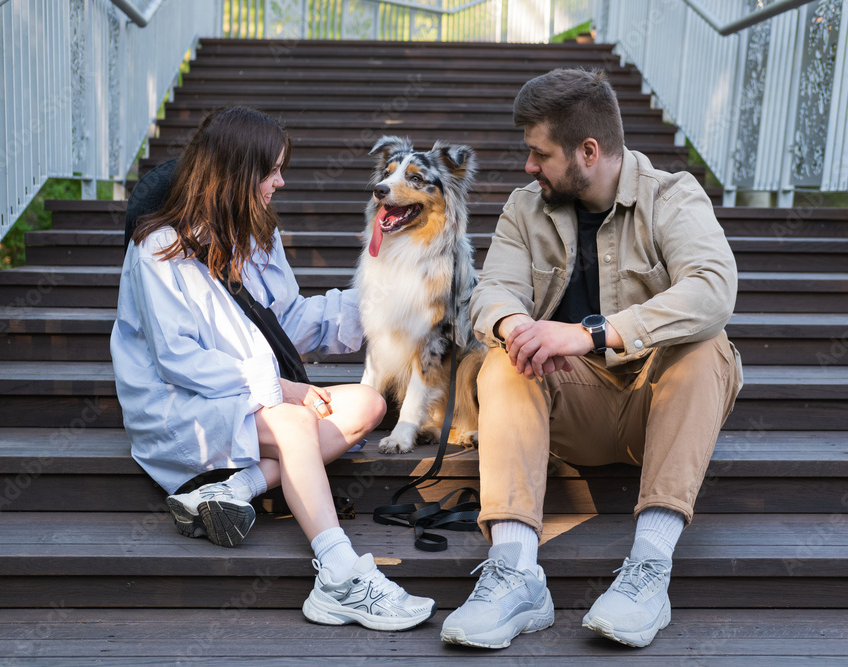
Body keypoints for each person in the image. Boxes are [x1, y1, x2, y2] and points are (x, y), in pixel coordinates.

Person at [440, 69, 743, 649]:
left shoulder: (671, 195)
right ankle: (515, 574)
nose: (528, 166)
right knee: (505, 356)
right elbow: (492, 290)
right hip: (569, 411)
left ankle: (649, 569)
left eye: (540, 153)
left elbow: (712, 289)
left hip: (659, 407)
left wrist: (591, 333)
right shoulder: (524, 209)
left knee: (708, 345)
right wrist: (517, 326)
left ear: (588, 151)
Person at [110, 106, 436, 631]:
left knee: (369, 403)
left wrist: (383, 298)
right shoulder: (159, 248)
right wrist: (278, 387)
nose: (280, 182)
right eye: (272, 171)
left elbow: (286, 323)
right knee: (295, 421)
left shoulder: (256, 236)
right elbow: (177, 359)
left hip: (251, 399)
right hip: (182, 405)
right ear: (236, 173)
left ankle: (234, 489)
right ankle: (339, 573)